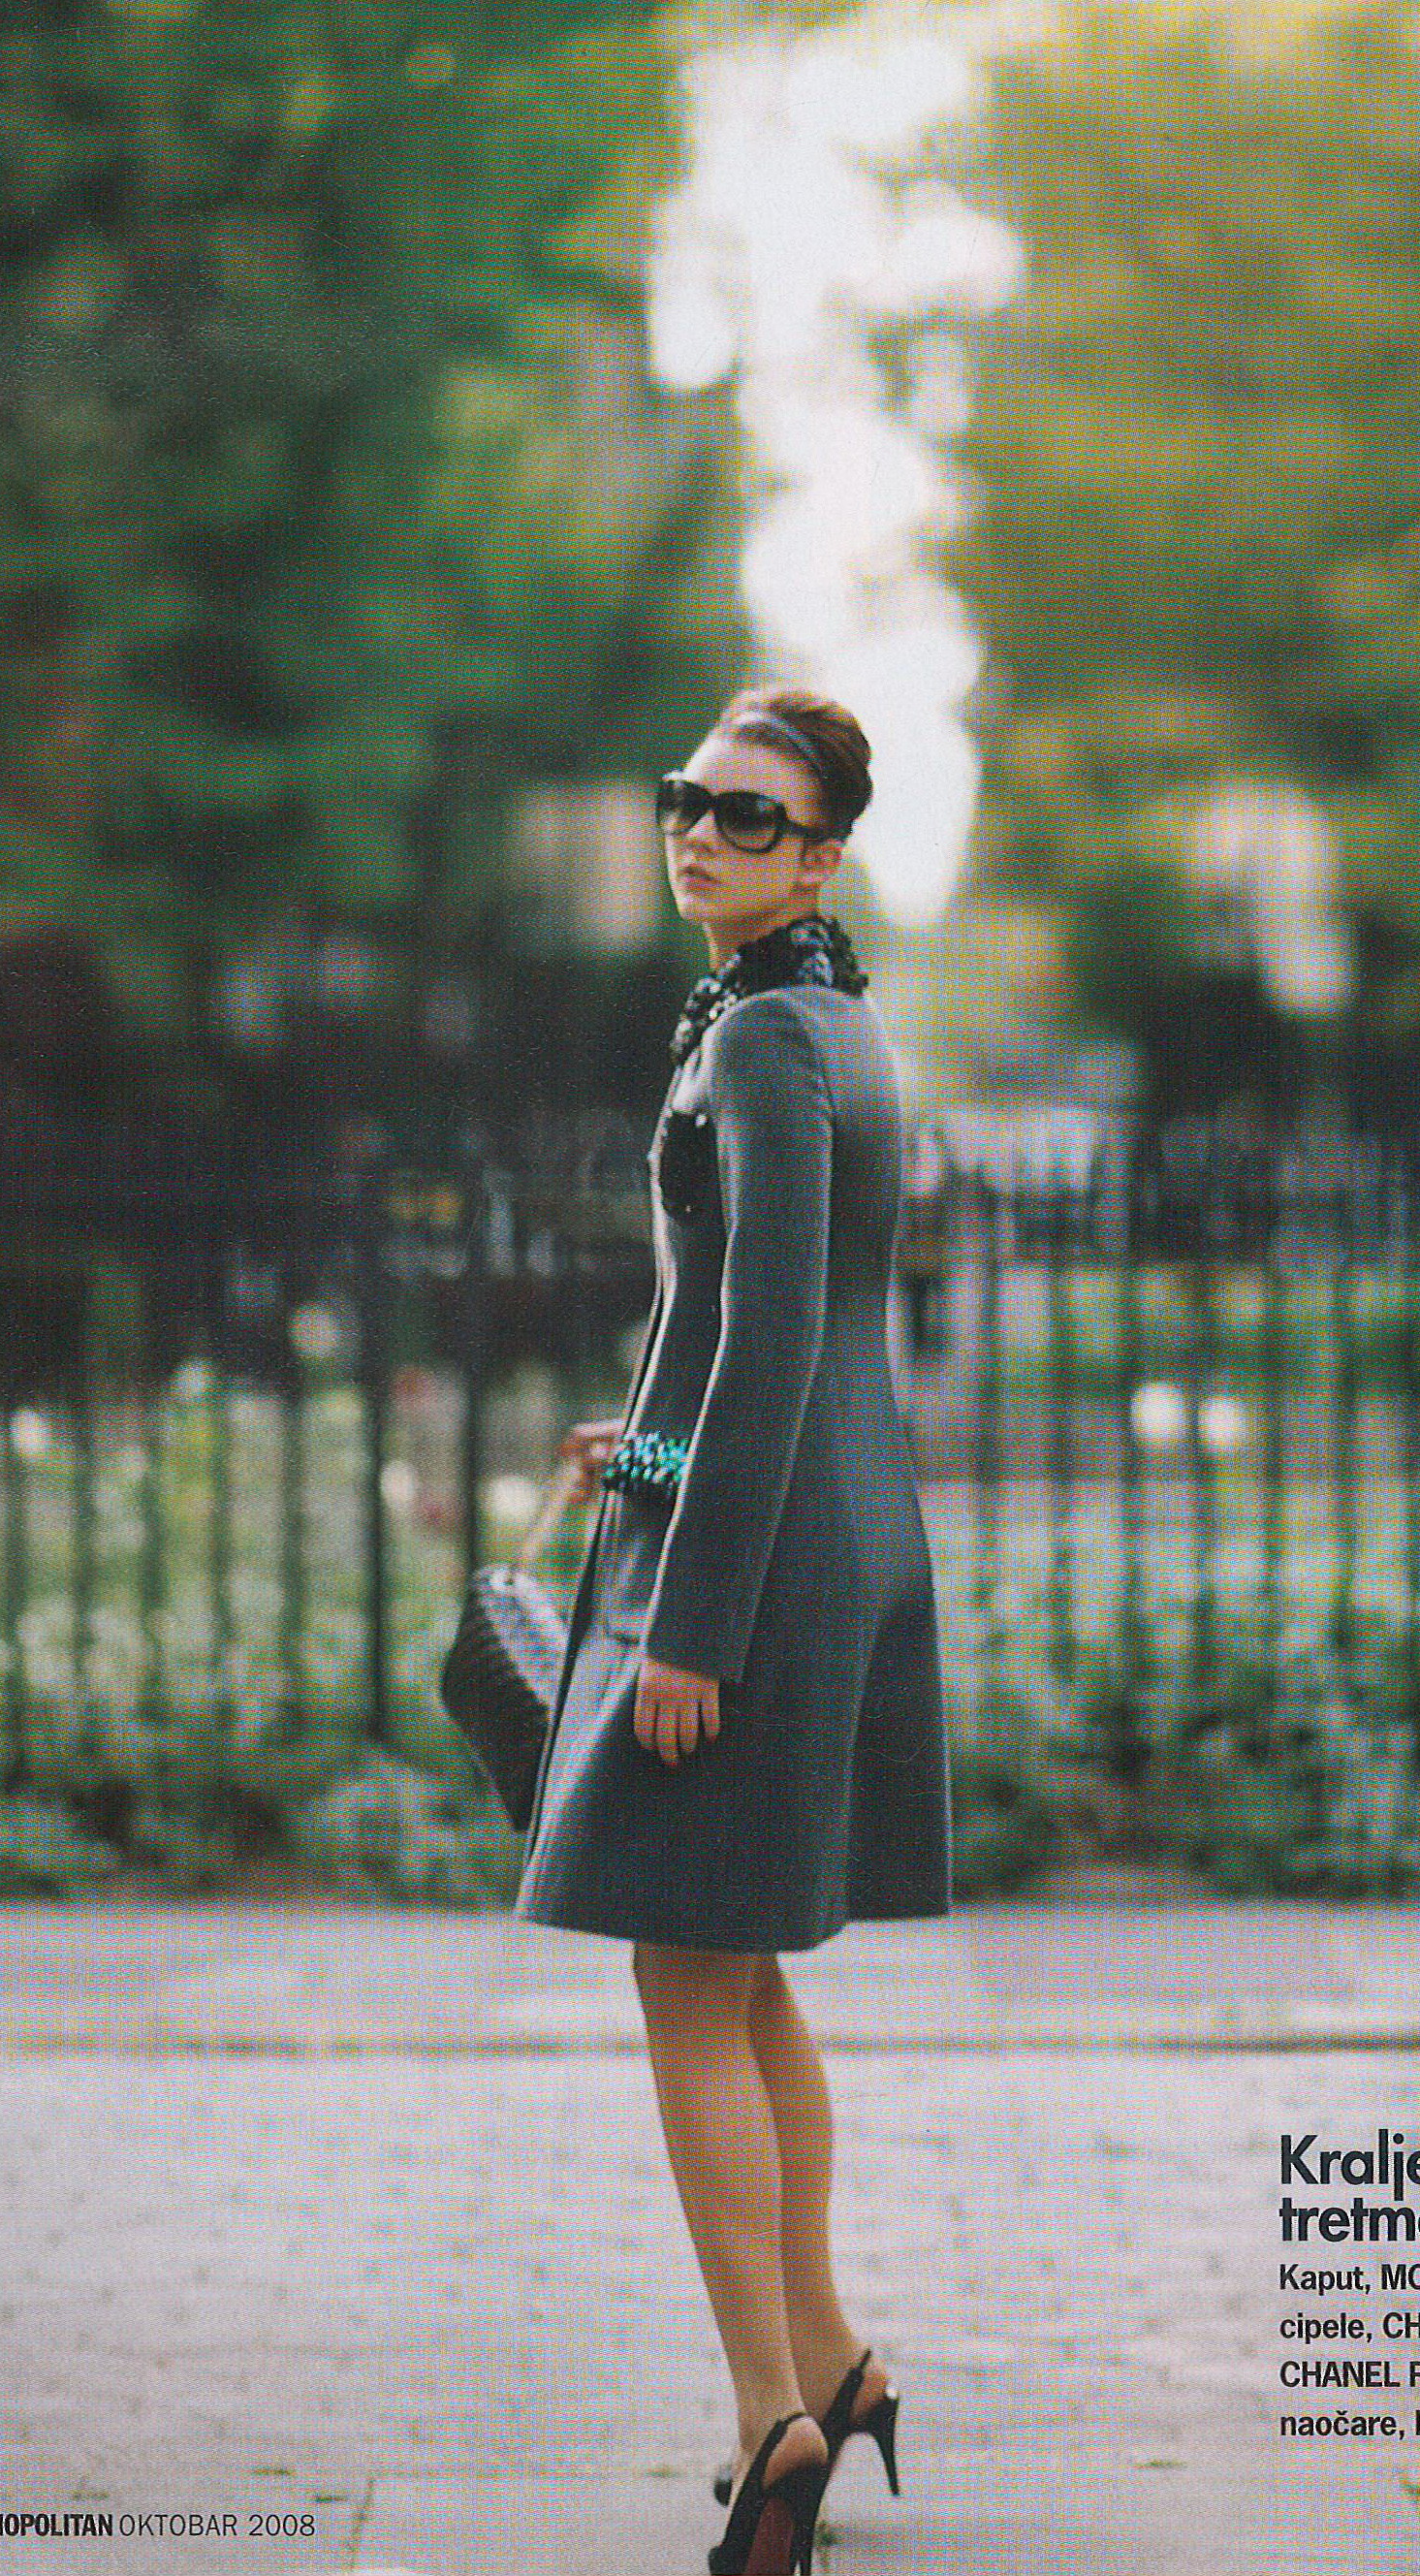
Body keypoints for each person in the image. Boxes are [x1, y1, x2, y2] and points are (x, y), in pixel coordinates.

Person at [514, 683, 952, 2576]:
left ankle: (773, 2422)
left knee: (685, 1976)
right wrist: (642, 1449)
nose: (702, 832)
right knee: (743, 1969)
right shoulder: (816, 1017)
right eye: (688, 798)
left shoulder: (770, 1038)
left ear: (821, 854)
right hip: (811, 1536)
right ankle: (834, 2365)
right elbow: (759, 1337)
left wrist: (690, 1624)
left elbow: (775, 1337)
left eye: (749, 815)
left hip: (755, 1580)